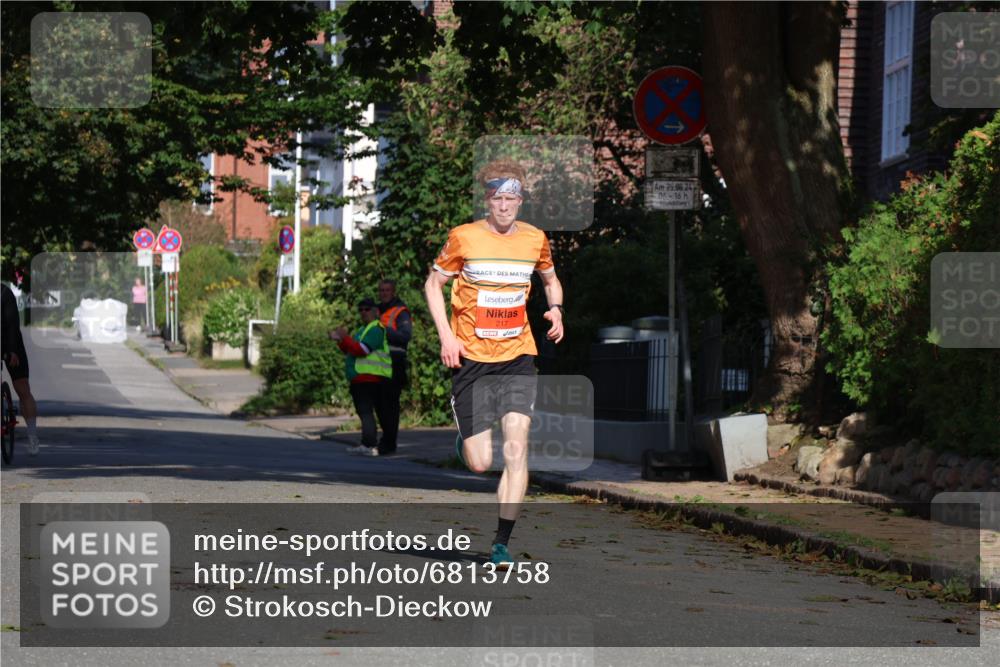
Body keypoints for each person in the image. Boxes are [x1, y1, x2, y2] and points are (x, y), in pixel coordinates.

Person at [424, 158, 565, 568]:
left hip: (518, 356)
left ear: (521, 200)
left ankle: (501, 543)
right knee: (481, 462)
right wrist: (446, 336)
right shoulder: (463, 238)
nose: (504, 205)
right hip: (471, 359)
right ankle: (467, 440)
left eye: (511, 197)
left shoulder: (535, 239)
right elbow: (433, 285)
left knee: (518, 448)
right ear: (486, 200)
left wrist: (555, 310)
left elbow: (550, 280)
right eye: (497, 197)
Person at [330, 298, 393, 457]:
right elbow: (351, 350)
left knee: (367, 412)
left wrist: (345, 338)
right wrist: (340, 341)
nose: (363, 312)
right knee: (365, 412)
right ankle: (369, 443)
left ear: (375, 311)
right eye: (361, 309)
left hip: (371, 378)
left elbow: (362, 350)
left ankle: (370, 444)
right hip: (361, 378)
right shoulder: (362, 329)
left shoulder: (375, 328)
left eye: (367, 309)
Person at [1, 282, 40, 456]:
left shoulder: (4, 293)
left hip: (10, 343)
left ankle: (32, 435)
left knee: (22, 388)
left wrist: (11, 351)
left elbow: (11, 325)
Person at [377, 279, 412, 456]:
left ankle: (389, 443)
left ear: (393, 292)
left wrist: (384, 330)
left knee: (390, 406)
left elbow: (405, 336)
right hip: (378, 365)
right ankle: (385, 439)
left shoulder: (400, 312)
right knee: (380, 406)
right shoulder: (376, 310)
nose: (384, 293)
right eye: (381, 290)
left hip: (395, 363)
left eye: (387, 290)